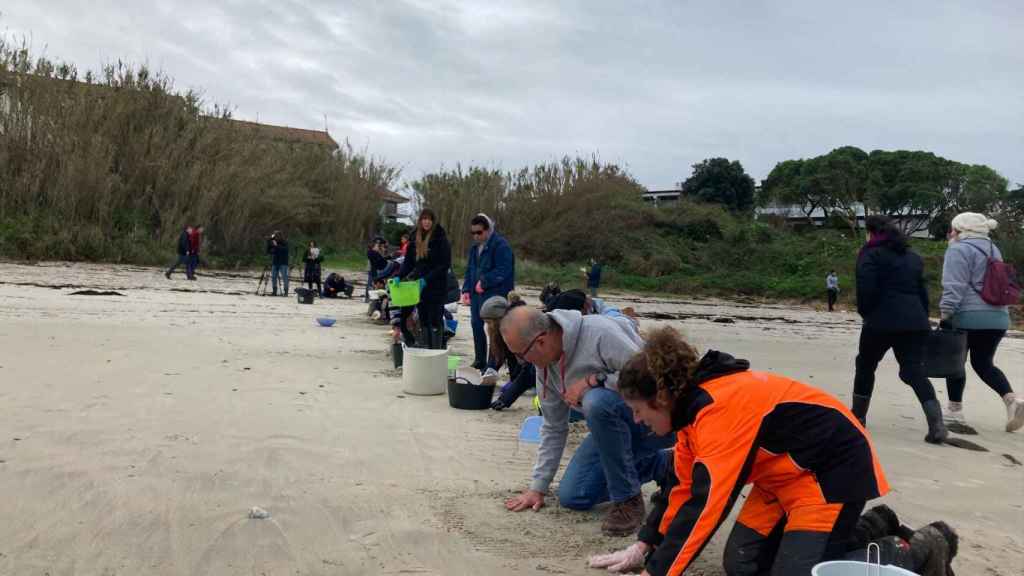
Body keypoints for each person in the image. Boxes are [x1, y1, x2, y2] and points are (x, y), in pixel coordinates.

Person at [589, 326, 889, 576]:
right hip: (782, 479)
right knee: (742, 564)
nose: (637, 420)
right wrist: (645, 544)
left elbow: (706, 507)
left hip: (832, 473)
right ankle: (865, 527)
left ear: (663, 396)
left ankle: (905, 551)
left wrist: (656, 573)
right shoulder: (689, 417)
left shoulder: (718, 411)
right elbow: (681, 489)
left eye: (638, 410)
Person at [499, 305, 674, 536]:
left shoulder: (599, 332)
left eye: (520, 355)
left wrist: (595, 380)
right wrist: (538, 488)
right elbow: (553, 427)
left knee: (596, 400)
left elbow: (652, 376)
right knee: (574, 496)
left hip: (659, 422)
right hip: (614, 433)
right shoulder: (544, 368)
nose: (521, 362)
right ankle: (666, 466)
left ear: (540, 341)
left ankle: (627, 500)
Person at [851, 215, 946, 444]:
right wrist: (923, 318)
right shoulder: (912, 257)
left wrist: (867, 314)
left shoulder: (870, 254)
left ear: (871, 232)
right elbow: (922, 292)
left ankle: (858, 418)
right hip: (915, 321)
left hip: (881, 321)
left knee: (865, 365)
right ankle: (937, 425)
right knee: (913, 370)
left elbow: (866, 289)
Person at [940, 212, 1024, 434]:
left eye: (952, 229)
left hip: (968, 316)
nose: (950, 233)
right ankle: (1012, 401)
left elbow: (954, 285)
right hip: (998, 317)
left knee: (955, 362)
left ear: (959, 230)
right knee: (984, 363)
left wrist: (946, 314)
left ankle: (954, 411)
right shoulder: (992, 249)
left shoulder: (958, 249)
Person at [462, 213, 515, 372]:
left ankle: (492, 364)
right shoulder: (474, 248)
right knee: (476, 324)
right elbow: (470, 269)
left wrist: (485, 282)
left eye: (479, 232)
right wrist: (466, 289)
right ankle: (479, 360)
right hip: (477, 294)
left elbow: (503, 270)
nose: (476, 236)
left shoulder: (501, 245)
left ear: (488, 230)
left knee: (494, 330)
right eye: (473, 233)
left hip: (495, 293)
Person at [399, 209, 452, 349]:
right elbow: (408, 263)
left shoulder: (440, 238)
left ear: (433, 221)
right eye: (424, 219)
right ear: (420, 221)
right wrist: (399, 276)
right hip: (418, 286)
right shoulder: (414, 239)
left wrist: (427, 279)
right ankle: (425, 348)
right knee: (422, 318)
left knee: (435, 319)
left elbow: (444, 264)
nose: (426, 222)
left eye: (429, 219)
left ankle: (437, 349)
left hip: (437, 285)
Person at [479, 293, 534, 408]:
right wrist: (482, 379)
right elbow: (494, 359)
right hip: (521, 371)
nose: (487, 326)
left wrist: (507, 398)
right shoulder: (498, 333)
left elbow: (529, 369)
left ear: (499, 319)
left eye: (489, 322)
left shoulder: (520, 331)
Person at [365, 237, 389, 302]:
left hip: (376, 268)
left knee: (374, 282)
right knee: (371, 282)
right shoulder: (372, 251)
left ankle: (372, 297)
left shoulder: (377, 249)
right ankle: (368, 297)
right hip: (372, 268)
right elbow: (378, 260)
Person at [268, 232, 290, 296]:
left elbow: (285, 250)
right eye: (275, 237)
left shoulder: (285, 242)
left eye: (276, 237)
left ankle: (286, 292)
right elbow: (269, 251)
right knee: (273, 277)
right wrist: (269, 243)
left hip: (283, 262)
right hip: (275, 262)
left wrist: (276, 246)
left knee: (284, 277)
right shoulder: (274, 242)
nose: (276, 238)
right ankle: (274, 291)